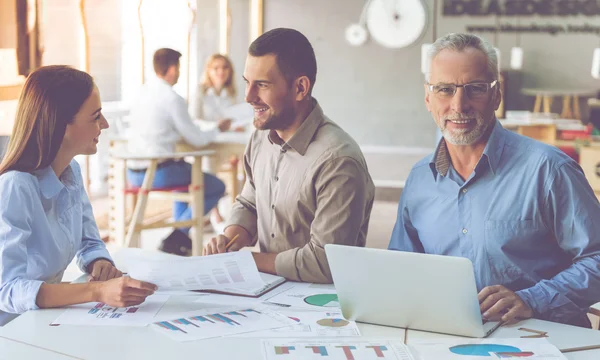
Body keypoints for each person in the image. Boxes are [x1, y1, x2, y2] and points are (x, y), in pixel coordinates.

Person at [388, 33, 600, 327]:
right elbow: (400, 270)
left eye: (474, 89)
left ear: (496, 95)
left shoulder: (548, 170)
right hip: (451, 338)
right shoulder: (419, 180)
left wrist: (532, 299)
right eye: (445, 90)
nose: (459, 105)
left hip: (544, 338)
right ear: (428, 98)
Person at [203, 28, 375, 284]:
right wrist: (229, 240)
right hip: (267, 291)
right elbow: (250, 204)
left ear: (300, 88)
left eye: (261, 85)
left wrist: (248, 261)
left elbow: (324, 263)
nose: (249, 97)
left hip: (318, 302)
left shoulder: (338, 161)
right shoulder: (261, 139)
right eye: (247, 82)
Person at [0, 65, 157, 325]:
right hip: (11, 329)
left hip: (42, 320)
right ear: (61, 125)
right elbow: (6, 290)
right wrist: (95, 291)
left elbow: (89, 242)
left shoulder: (70, 170)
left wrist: (99, 262)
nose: (104, 125)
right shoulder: (15, 187)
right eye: (96, 117)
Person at [127, 48, 231, 255]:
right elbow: (197, 140)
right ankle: (178, 235)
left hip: (133, 172)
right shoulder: (172, 98)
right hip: (159, 173)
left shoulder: (142, 93)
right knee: (217, 186)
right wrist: (218, 128)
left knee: (185, 181)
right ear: (173, 69)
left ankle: (179, 236)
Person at [196, 53, 246, 132]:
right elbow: (194, 121)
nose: (221, 71)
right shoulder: (199, 92)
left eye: (225, 67)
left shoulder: (234, 94)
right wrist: (217, 126)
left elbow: (240, 120)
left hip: (229, 140)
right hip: (207, 140)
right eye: (216, 68)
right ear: (208, 71)